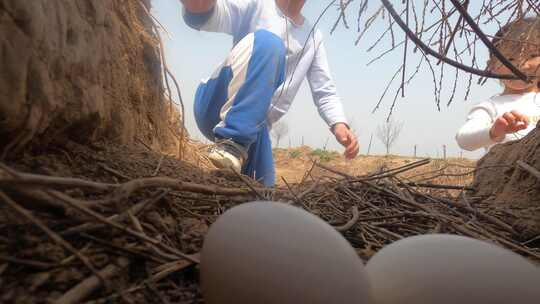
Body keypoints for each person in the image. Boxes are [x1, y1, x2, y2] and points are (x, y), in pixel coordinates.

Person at [180, 0, 359, 186]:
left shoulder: (313, 37)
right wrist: (198, 6)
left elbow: (324, 89)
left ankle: (236, 152)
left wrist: (338, 124)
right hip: (215, 100)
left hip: (257, 127)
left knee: (262, 193)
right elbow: (213, 14)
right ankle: (233, 140)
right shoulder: (256, 4)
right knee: (270, 42)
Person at [456, 17, 540, 152]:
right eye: (510, 58)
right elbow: (464, 140)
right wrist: (494, 131)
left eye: (533, 55)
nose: (522, 65)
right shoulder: (491, 107)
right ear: (492, 66)